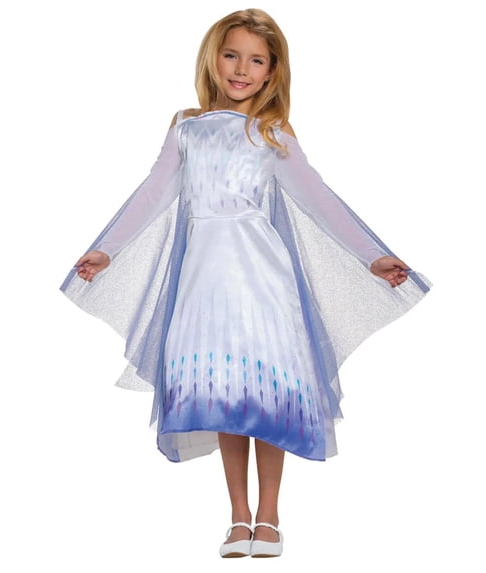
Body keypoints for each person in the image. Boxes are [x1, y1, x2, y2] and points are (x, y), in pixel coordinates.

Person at [60, 8, 430, 558]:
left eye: (256, 61)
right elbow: (153, 192)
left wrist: (372, 257)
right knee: (224, 394)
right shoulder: (186, 128)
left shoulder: (271, 133)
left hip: (263, 279)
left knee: (267, 394)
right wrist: (106, 249)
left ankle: (270, 515)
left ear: (272, 71)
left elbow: (318, 198)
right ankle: (238, 516)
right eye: (232, 55)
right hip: (204, 281)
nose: (241, 69)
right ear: (213, 58)